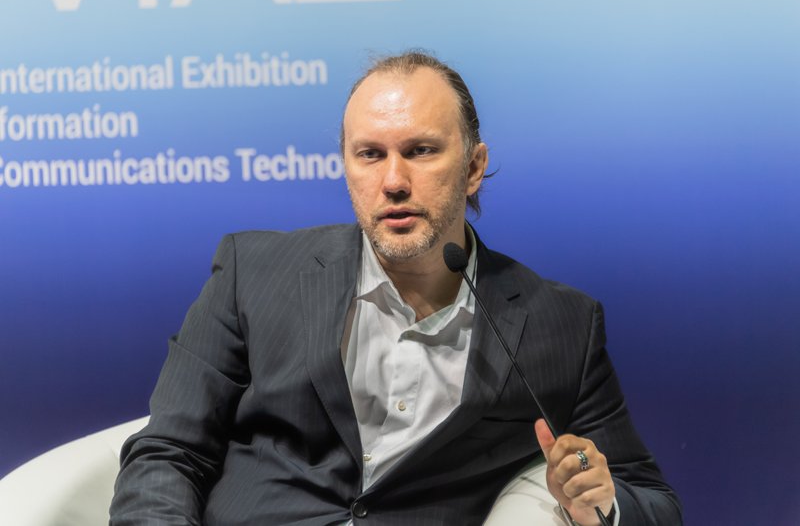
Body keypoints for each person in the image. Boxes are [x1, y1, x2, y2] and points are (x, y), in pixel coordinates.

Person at [110, 51, 681, 525]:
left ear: (474, 167)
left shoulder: (560, 324)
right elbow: (168, 452)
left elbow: (652, 501)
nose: (393, 181)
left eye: (420, 151)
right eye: (370, 155)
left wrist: (599, 503)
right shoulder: (253, 272)